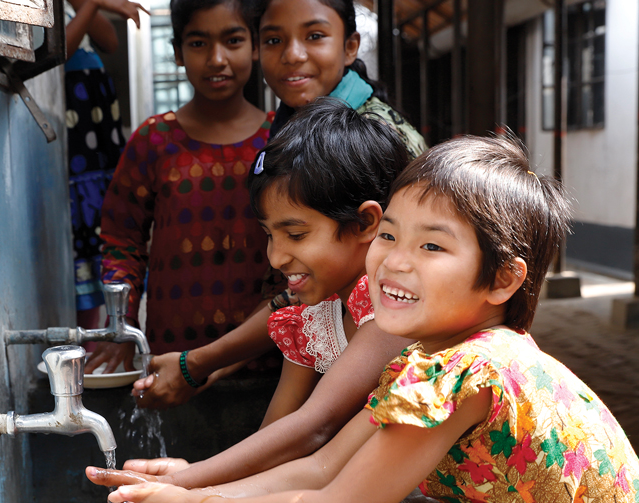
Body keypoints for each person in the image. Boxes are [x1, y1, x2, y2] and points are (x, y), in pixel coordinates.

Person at [80, 135, 639, 503]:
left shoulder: (470, 373)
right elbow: (321, 468)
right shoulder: (428, 360)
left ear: (502, 279)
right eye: (388, 235)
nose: (394, 262)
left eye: (432, 246)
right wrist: (185, 490)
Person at [66, 97, 412, 503]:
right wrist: (184, 496)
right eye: (269, 234)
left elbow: (313, 433)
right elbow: (280, 440)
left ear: (365, 224)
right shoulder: (312, 317)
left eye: (295, 232)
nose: (275, 255)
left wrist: (188, 494)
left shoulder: (391, 311)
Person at [133, 0, 426, 402]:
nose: (292, 54)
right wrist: (207, 363)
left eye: (314, 35)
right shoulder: (292, 127)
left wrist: (201, 362)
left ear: (350, 46)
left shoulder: (378, 140)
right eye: (274, 39)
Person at [84, 0, 281, 375]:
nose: (217, 58)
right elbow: (121, 242)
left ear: (255, 47)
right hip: (171, 358)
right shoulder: (152, 140)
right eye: (198, 43)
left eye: (233, 41)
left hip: (267, 355)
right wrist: (122, 329)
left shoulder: (281, 141)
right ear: (177, 52)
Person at [64, 0, 147, 331]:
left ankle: (99, 339)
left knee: (100, 216)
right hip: (78, 133)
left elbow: (110, 41)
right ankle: (89, 343)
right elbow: (60, 52)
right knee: (83, 231)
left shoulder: (74, 6)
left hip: (95, 132)